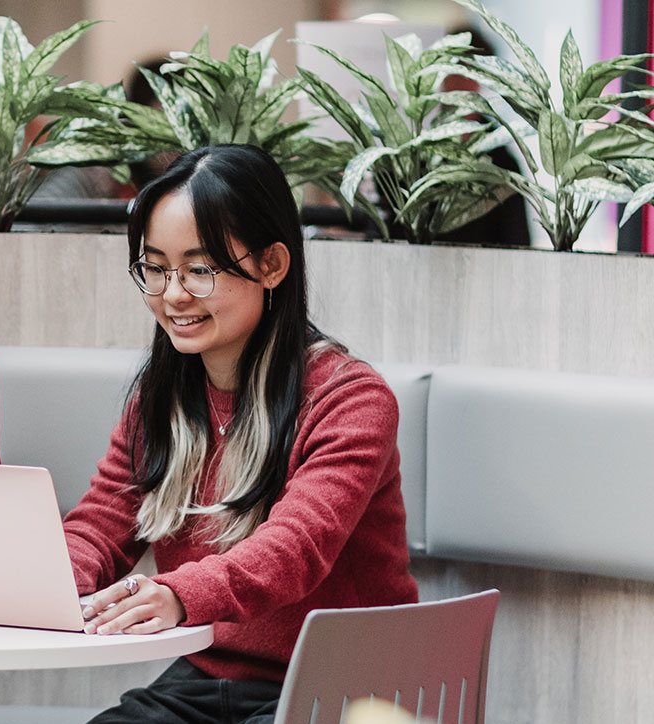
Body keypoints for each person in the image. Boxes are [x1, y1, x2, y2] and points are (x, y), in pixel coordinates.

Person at [63, 144, 419, 724]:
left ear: (271, 265)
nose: (172, 293)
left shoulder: (349, 399)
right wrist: (49, 574)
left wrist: (179, 594)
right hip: (206, 674)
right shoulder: (163, 399)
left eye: (200, 270)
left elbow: (293, 550)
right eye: (155, 267)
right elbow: (103, 524)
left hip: (347, 688)